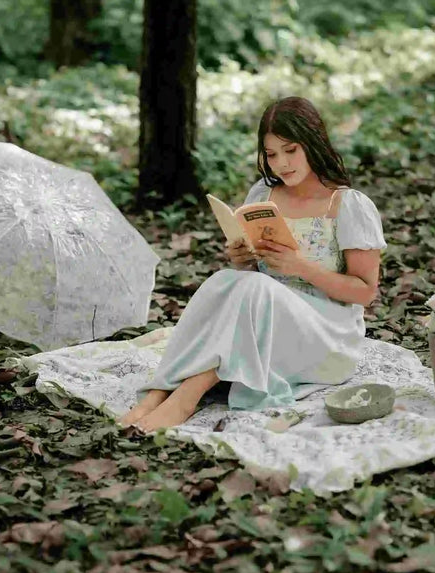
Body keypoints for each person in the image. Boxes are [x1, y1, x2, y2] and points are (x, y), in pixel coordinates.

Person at [119, 96, 387, 432]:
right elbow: (249, 279)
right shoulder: (263, 194)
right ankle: (158, 392)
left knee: (257, 288)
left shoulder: (348, 204)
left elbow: (365, 293)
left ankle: (185, 396)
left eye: (290, 150)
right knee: (224, 280)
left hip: (326, 335)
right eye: (271, 154)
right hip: (264, 318)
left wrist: (300, 266)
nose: (282, 164)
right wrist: (241, 259)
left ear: (314, 143)